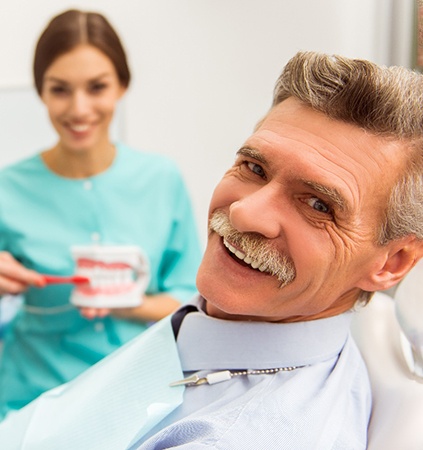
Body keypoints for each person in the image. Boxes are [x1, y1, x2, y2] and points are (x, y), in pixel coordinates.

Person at [0, 50, 422, 450]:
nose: (243, 213)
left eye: (318, 205)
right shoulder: (227, 317)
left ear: (393, 262)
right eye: (254, 168)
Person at [0, 9, 202, 419]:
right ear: (40, 92)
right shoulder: (8, 188)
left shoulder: (161, 179)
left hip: (133, 397)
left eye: (97, 87)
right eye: (60, 90)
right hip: (27, 400)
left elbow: (193, 301)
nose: (79, 108)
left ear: (122, 85)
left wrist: (128, 304)